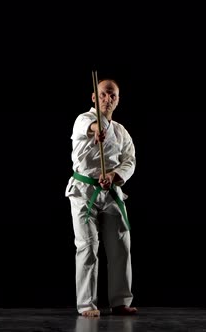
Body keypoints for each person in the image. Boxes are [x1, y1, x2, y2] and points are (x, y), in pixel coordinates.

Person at [65, 78, 138, 317]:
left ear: (118, 100)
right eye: (104, 94)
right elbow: (88, 128)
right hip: (84, 192)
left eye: (113, 96)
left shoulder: (120, 131)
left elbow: (130, 160)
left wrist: (115, 174)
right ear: (94, 98)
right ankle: (87, 305)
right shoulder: (84, 120)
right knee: (87, 246)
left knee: (121, 246)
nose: (108, 99)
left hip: (111, 192)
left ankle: (120, 301)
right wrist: (97, 130)